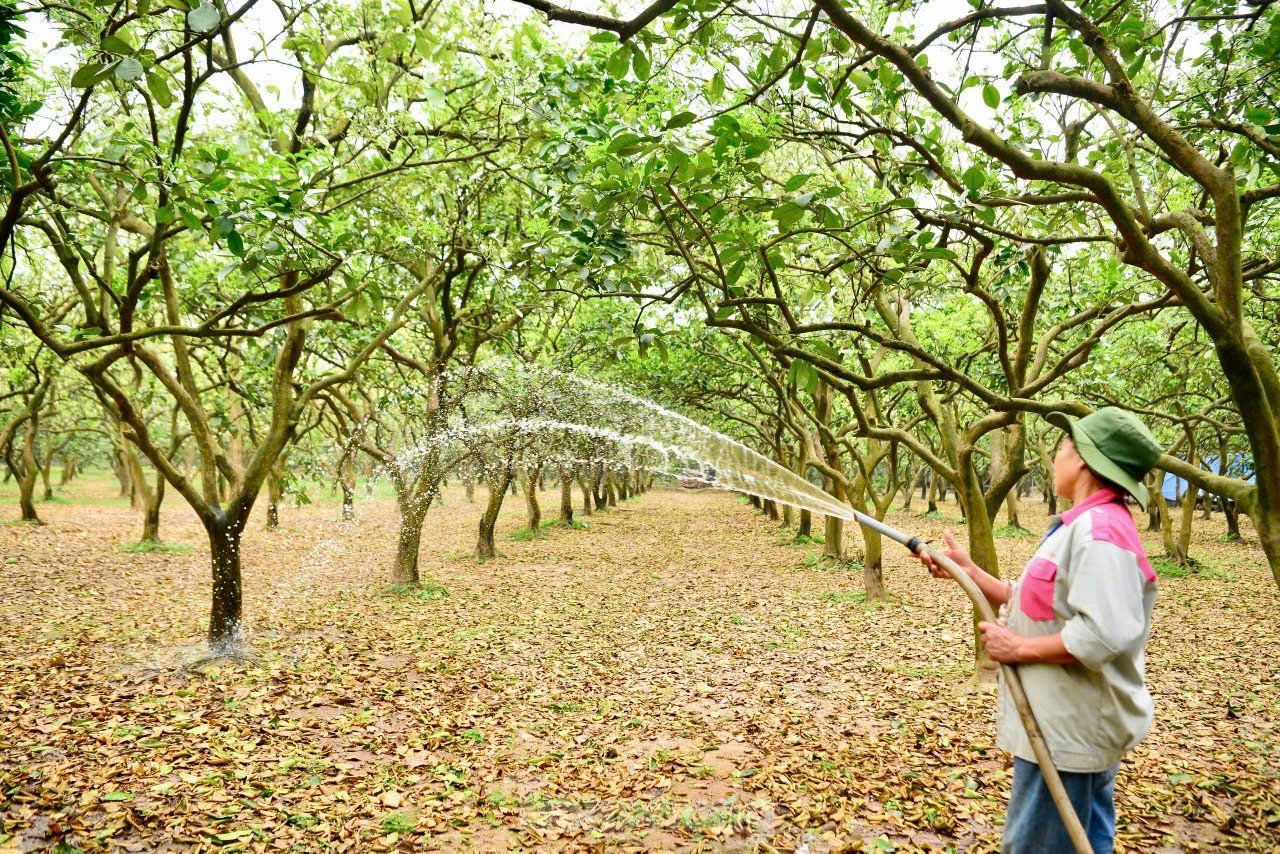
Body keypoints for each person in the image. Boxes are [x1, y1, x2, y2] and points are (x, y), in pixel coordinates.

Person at [918, 408, 1163, 854]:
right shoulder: (1080, 527)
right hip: (1061, 728)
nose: (1057, 455)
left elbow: (1105, 633)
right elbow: (1039, 603)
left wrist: (1021, 648)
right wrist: (969, 572)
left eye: (1065, 446)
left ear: (1086, 460)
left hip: (1070, 733)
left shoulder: (1101, 532)